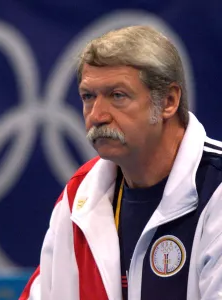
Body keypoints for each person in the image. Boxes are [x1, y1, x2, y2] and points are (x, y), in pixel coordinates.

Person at [19, 25, 222, 300]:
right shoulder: (80, 194)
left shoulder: (217, 188)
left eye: (117, 96)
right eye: (88, 97)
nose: (97, 115)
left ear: (169, 102)